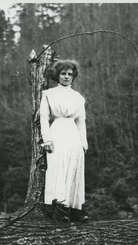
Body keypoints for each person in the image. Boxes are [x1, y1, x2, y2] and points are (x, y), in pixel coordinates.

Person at [40, 59, 89, 222]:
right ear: (58, 75)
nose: (66, 77)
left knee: (74, 169)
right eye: (63, 73)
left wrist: (84, 142)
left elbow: (81, 121)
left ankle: (76, 209)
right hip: (58, 132)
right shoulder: (49, 94)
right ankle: (61, 209)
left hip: (73, 135)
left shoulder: (78, 97)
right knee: (59, 168)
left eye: (70, 74)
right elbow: (44, 117)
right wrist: (46, 139)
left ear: (73, 76)